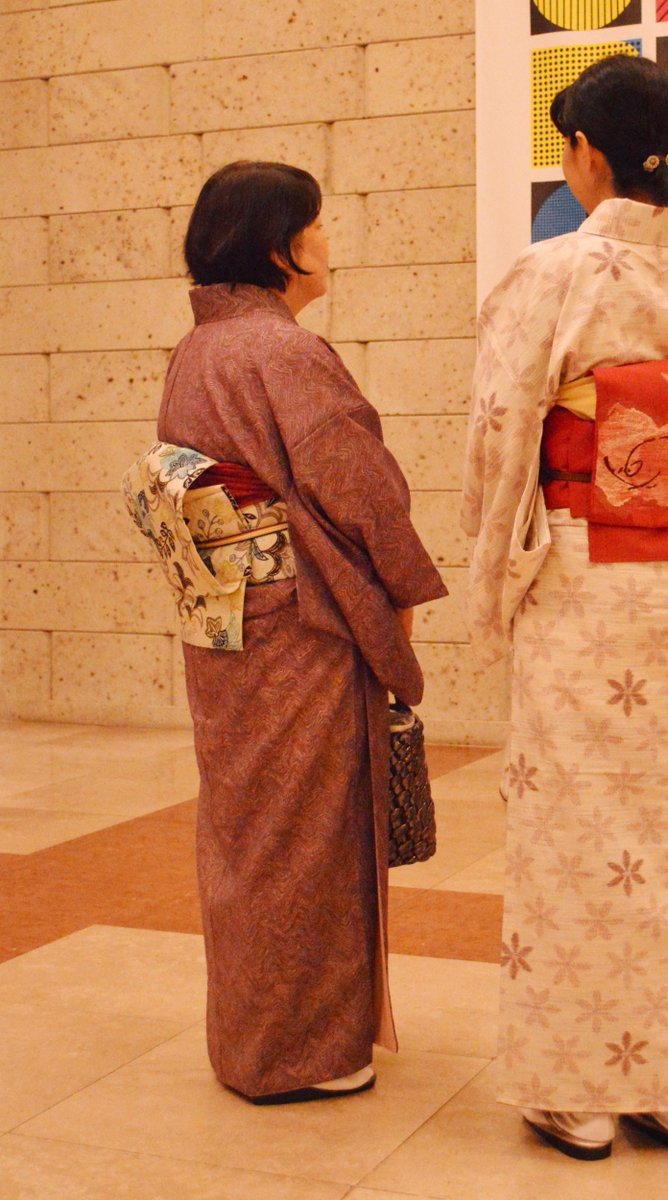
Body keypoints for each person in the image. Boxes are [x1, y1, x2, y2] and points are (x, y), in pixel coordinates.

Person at [462, 56, 668, 1160]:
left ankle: (578, 1092)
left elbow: (501, 427)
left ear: (586, 153)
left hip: (580, 579)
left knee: (573, 826)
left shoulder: (554, 272)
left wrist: (497, 568)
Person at [123, 161, 447, 1104]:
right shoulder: (282, 351)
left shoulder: (201, 349)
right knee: (308, 831)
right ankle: (304, 1051)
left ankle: (252, 1041)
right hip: (300, 627)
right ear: (280, 249)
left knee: (247, 830)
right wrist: (399, 588)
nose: (328, 242)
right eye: (317, 225)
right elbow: (361, 490)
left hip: (227, 622)